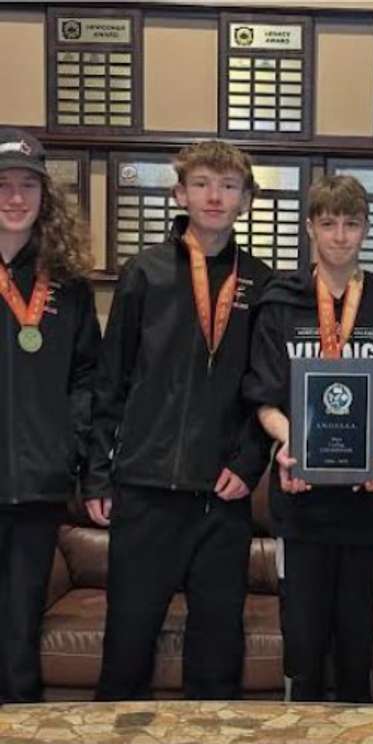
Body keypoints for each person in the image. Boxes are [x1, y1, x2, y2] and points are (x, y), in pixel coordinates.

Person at [84, 140, 272, 700]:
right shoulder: (146, 272)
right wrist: (97, 473)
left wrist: (248, 461)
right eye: (202, 184)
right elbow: (110, 379)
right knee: (127, 647)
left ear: (246, 199)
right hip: (146, 489)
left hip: (222, 495)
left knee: (217, 658)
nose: (215, 196)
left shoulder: (261, 283)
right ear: (180, 193)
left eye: (229, 186)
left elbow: (268, 387)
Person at [244, 174, 373, 702]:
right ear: (310, 228)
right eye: (328, 223)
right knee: (302, 646)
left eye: (352, 223)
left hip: (365, 500)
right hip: (300, 501)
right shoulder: (280, 304)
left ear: (367, 229)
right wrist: (288, 443)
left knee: (354, 647)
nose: (341, 236)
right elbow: (263, 397)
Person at [0, 127, 101, 702]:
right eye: (4, 186)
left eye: (27, 187)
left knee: (20, 628)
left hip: (39, 487)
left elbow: (87, 380)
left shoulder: (68, 287)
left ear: (45, 198)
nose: (15, 198)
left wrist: (73, 451)